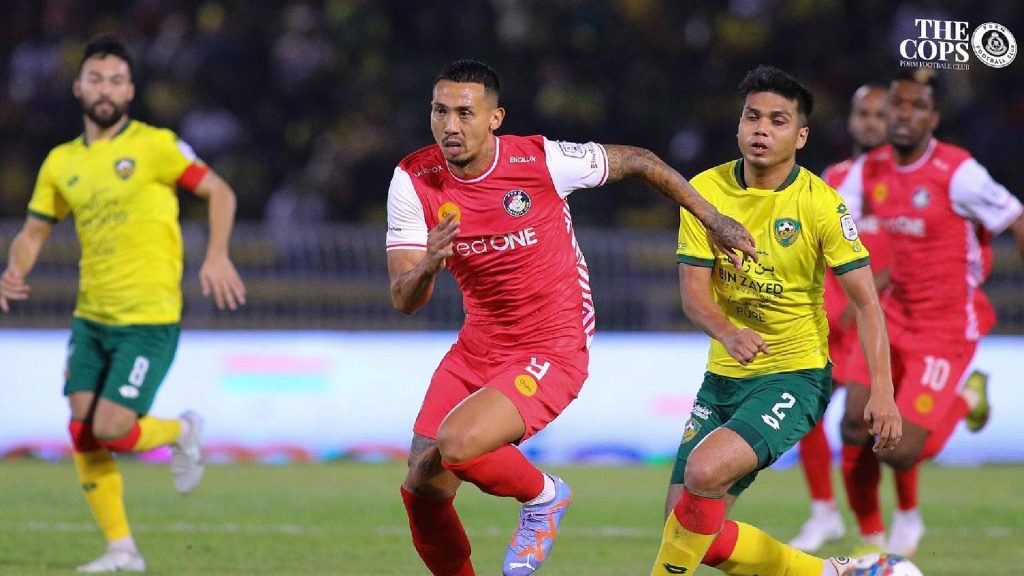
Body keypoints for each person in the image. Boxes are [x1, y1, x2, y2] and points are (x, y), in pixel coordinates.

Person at [386, 59, 757, 576]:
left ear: (495, 118)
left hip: (553, 343)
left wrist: (712, 218)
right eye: (440, 111)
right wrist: (429, 263)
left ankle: (544, 496)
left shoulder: (541, 160)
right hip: (477, 346)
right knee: (422, 486)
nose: (450, 125)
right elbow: (405, 300)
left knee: (458, 443)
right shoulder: (413, 179)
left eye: (465, 113)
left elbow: (640, 160)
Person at [0, 37, 247, 573]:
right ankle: (122, 550)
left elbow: (220, 192)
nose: (105, 90)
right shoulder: (61, 162)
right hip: (91, 317)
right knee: (80, 426)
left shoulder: (157, 146)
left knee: (112, 428)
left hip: (148, 319)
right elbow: (33, 232)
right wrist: (16, 268)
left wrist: (216, 255)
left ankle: (181, 430)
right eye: (96, 79)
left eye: (116, 80)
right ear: (78, 87)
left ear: (130, 90)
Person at [651, 65, 901, 576]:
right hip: (723, 378)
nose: (761, 130)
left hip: (794, 376)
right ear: (739, 125)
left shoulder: (820, 204)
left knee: (703, 470)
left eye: (777, 121)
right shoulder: (704, 192)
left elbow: (867, 303)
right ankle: (831, 573)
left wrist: (883, 390)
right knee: (685, 528)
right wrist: (727, 332)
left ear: (800, 136)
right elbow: (694, 294)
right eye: (752, 117)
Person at [837, 69, 1023, 557]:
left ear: (933, 119)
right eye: (896, 105)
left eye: (916, 107)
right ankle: (872, 544)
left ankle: (967, 396)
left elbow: (1016, 217)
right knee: (854, 424)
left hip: (944, 328)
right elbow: (829, 219)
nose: (903, 115)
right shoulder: (871, 168)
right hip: (891, 317)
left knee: (900, 452)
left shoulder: (959, 172)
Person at [788, 82, 911, 553]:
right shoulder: (832, 178)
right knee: (806, 413)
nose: (871, 123)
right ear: (852, 120)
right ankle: (823, 513)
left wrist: (869, 293)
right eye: (863, 114)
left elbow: (912, 252)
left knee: (872, 420)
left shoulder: (908, 182)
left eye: (880, 115)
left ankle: (901, 516)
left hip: (878, 318)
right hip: (828, 317)